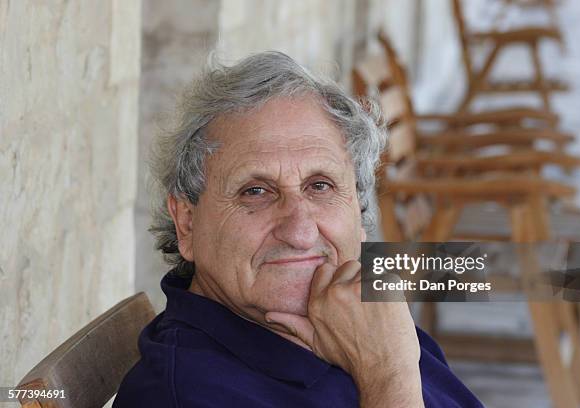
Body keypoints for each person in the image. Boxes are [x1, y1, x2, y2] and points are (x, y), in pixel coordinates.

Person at [113, 51, 483, 407]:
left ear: (359, 208)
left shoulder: (361, 318)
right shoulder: (186, 394)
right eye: (255, 192)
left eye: (320, 186)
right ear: (187, 223)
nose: (300, 231)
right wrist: (388, 378)